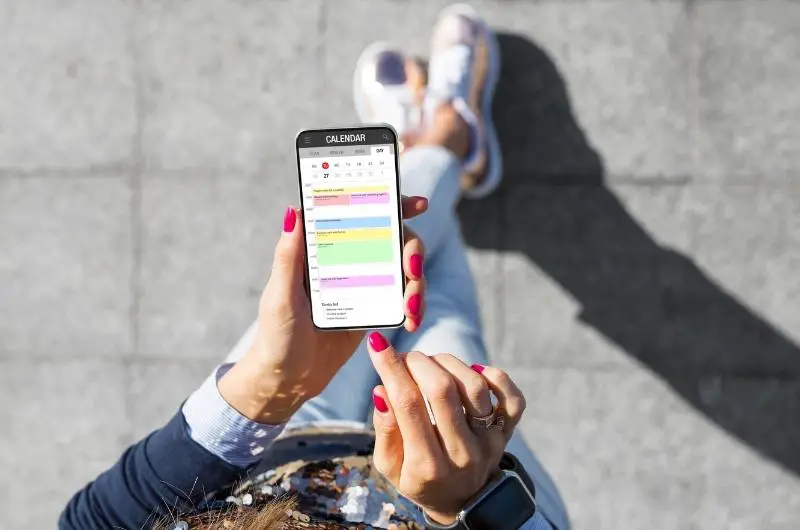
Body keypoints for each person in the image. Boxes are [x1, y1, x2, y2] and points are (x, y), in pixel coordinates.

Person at [60, 4, 569, 529]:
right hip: (449, 485)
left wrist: (271, 382)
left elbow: (90, 522)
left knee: (400, 260)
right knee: (442, 320)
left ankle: (439, 143)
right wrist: (462, 505)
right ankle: (445, 140)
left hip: (280, 444)